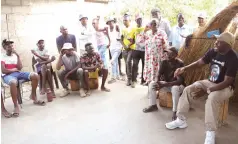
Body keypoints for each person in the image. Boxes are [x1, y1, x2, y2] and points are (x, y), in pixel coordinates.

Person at [165, 32, 238, 144]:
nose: (216, 42)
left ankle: (210, 132)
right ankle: (181, 120)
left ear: (227, 44)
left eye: (219, 41)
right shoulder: (214, 51)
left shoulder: (233, 57)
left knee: (212, 98)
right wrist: (184, 69)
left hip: (226, 87)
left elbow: (228, 81)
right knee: (188, 89)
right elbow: (200, 63)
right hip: (210, 82)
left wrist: (208, 90)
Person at [1, 40, 45, 117]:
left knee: (35, 75)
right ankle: (16, 106)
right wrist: (13, 70)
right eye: (9, 46)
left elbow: (20, 67)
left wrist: (18, 56)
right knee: (13, 82)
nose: (11, 48)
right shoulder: (2, 56)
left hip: (18, 73)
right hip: (7, 75)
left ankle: (33, 96)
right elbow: (3, 70)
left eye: (12, 46)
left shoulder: (15, 56)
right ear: (5, 48)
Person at [142, 47, 185, 120]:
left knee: (175, 88)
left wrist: (164, 85)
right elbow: (158, 75)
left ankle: (175, 112)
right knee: (152, 83)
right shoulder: (164, 62)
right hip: (167, 84)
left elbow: (179, 81)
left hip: (178, 86)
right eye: (167, 53)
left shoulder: (180, 63)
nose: (168, 55)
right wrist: (157, 82)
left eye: (170, 54)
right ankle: (153, 105)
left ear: (176, 55)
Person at [143, 19, 168, 85]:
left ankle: (157, 89)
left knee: (158, 73)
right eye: (153, 24)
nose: (155, 25)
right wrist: (144, 31)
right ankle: (150, 86)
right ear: (150, 25)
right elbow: (140, 42)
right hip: (149, 58)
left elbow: (165, 45)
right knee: (150, 72)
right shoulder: (148, 33)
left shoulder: (162, 33)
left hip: (158, 57)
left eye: (156, 24)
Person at [130, 14, 146, 87]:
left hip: (144, 50)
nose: (139, 20)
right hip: (136, 50)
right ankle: (134, 80)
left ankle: (143, 80)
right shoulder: (133, 29)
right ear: (135, 21)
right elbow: (132, 39)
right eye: (138, 19)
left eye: (140, 19)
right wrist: (130, 42)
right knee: (135, 65)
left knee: (144, 65)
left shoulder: (146, 28)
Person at [106, 17, 123, 84]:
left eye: (111, 21)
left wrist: (122, 43)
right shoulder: (108, 29)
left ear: (113, 21)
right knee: (115, 61)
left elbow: (121, 35)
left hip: (118, 47)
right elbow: (109, 38)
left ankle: (113, 77)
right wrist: (109, 44)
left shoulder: (117, 26)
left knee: (112, 61)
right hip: (112, 47)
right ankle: (117, 76)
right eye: (109, 22)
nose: (110, 23)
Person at [121, 13, 136, 86]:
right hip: (124, 49)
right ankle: (129, 79)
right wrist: (124, 46)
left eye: (126, 20)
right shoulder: (122, 29)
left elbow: (135, 40)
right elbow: (120, 39)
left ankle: (133, 79)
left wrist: (129, 45)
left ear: (129, 20)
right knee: (127, 64)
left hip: (131, 48)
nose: (124, 22)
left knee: (129, 61)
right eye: (123, 20)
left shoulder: (133, 28)